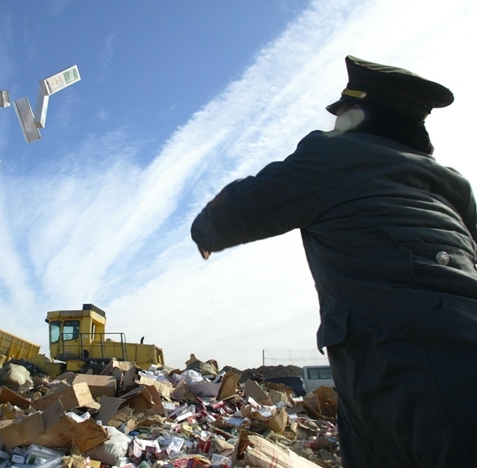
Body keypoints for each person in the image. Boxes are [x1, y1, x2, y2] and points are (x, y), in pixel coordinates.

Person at [190, 55, 477, 467]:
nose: (336, 123)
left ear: (365, 114)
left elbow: (247, 205)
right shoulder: (454, 184)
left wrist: (206, 229)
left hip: (396, 359)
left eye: (344, 114)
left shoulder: (331, 155)